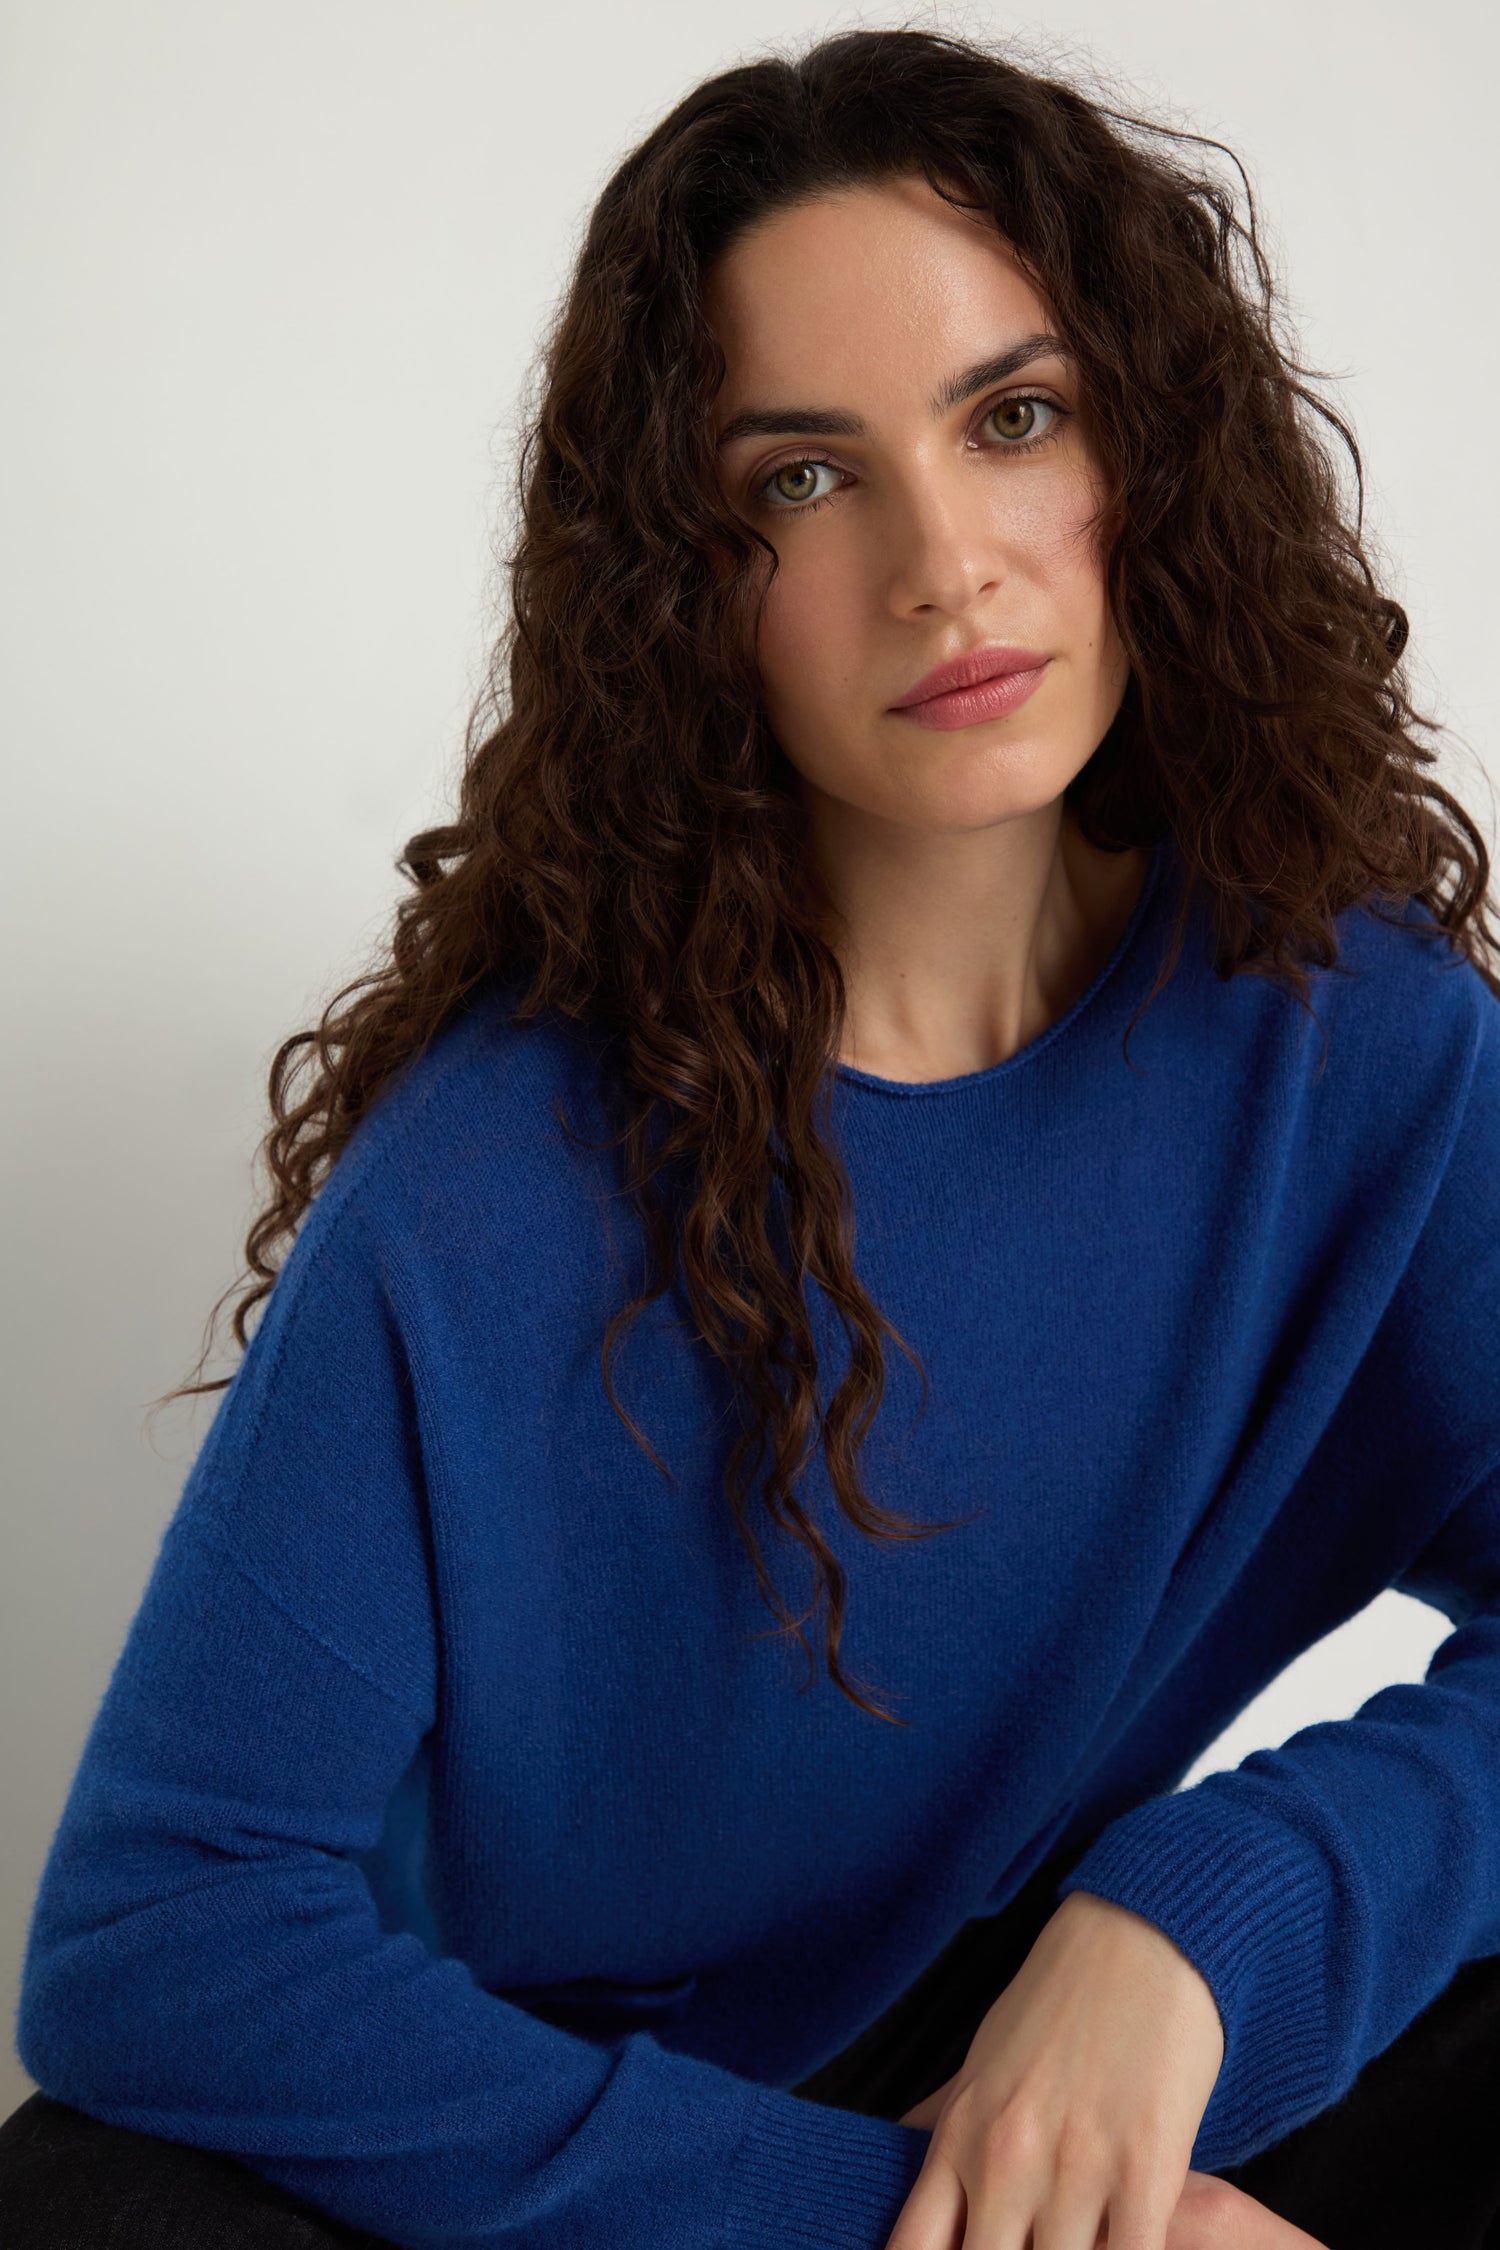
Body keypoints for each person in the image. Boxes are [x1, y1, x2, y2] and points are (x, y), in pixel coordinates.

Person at [5, 25, 1500, 2250]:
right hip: (579, 2151)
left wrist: (1203, 1919)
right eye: (803, 479)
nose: (943, 562)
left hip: (1018, 2075)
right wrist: (877, 2229)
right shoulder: (491, 1192)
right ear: (689, 592)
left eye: (1015, 418)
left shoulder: (1347, 1037)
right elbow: (157, 1934)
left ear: (1149, 453)